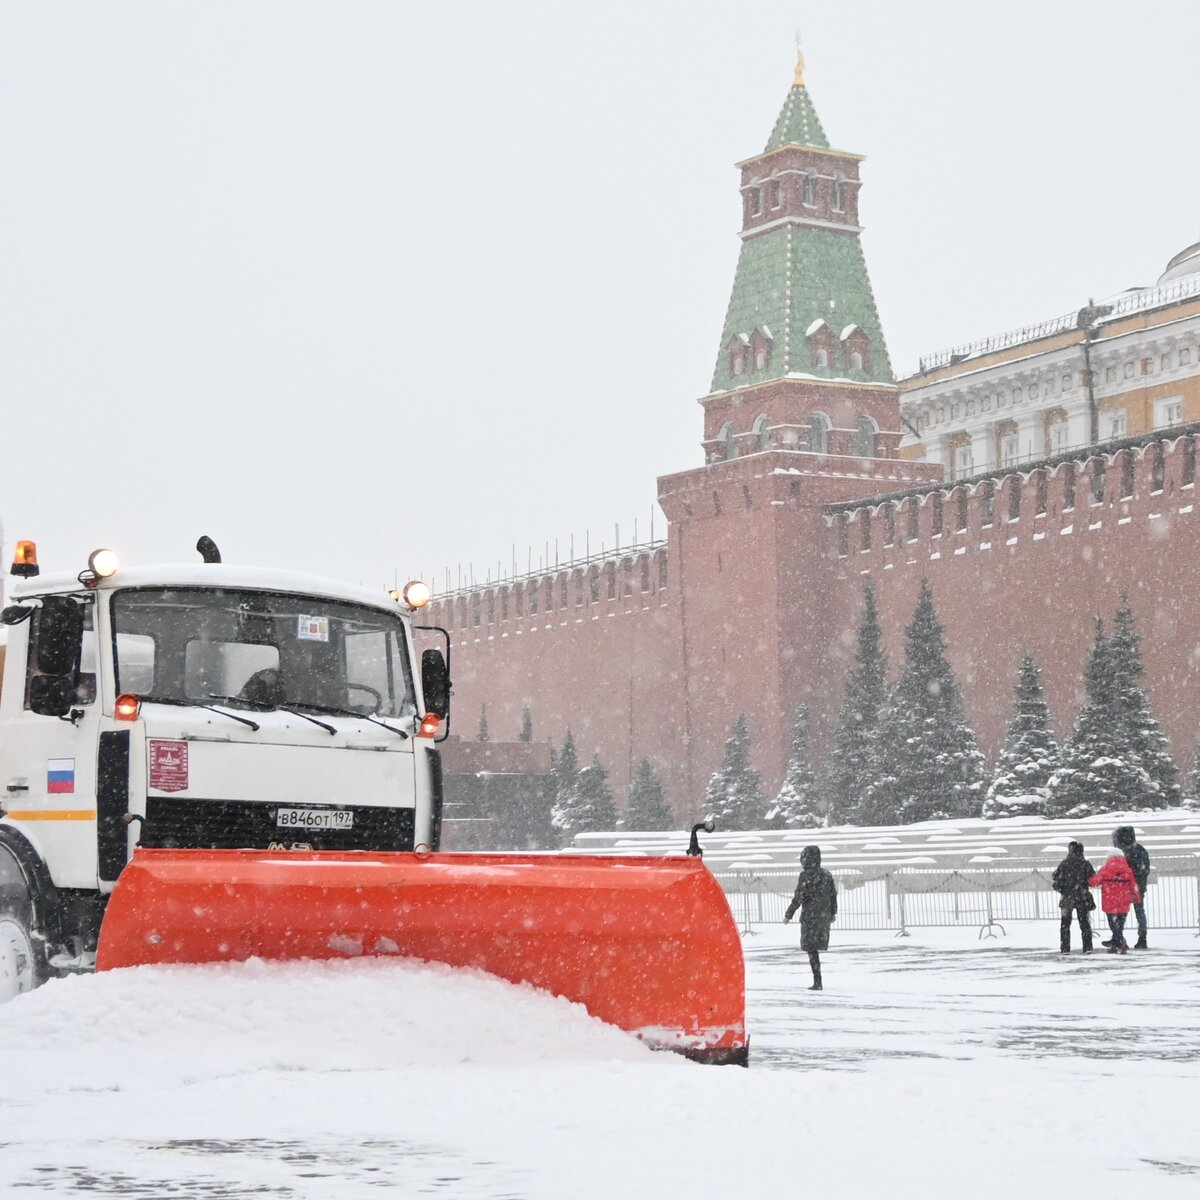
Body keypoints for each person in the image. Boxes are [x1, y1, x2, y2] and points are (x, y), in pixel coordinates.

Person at [783, 845, 838, 990]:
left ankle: (817, 981)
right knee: (815, 948)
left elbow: (798, 897)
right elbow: (833, 894)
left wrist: (789, 914)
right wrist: (833, 912)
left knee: (811, 950)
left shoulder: (805, 876)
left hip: (810, 917)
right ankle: (818, 980)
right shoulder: (826, 874)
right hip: (823, 916)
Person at [1088, 852, 1141, 954]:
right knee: (1119, 926)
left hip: (1110, 903)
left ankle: (1120, 943)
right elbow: (1134, 886)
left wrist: (1087, 879)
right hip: (1124, 903)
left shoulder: (1105, 869)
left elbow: (1094, 882)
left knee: (1114, 926)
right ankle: (1117, 944)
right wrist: (1136, 898)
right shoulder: (1128, 871)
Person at [1051, 841, 1095, 953]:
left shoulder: (1064, 863)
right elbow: (1092, 879)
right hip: (1082, 896)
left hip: (1067, 897)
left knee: (1065, 924)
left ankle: (1065, 947)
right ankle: (1087, 947)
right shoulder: (1085, 864)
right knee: (1084, 924)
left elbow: (1055, 876)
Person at [1112, 825, 1151, 949]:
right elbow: (1144, 870)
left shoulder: (1126, 852)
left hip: (1127, 887)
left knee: (1122, 913)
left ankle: (1118, 937)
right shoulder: (1140, 850)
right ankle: (1141, 937)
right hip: (1138, 886)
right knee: (1139, 911)